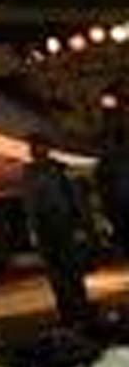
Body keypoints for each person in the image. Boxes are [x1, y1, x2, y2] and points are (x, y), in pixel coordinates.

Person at [21, 134, 92, 327]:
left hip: (64, 225)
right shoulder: (28, 173)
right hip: (45, 230)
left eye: (38, 146)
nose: (34, 150)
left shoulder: (60, 170)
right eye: (32, 146)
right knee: (55, 275)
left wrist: (80, 226)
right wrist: (33, 230)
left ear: (47, 148)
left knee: (72, 272)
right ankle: (66, 314)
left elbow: (75, 198)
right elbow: (29, 204)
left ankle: (83, 312)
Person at [95, 125, 129, 259]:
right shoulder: (109, 161)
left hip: (117, 203)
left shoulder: (108, 160)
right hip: (118, 202)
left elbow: (101, 183)